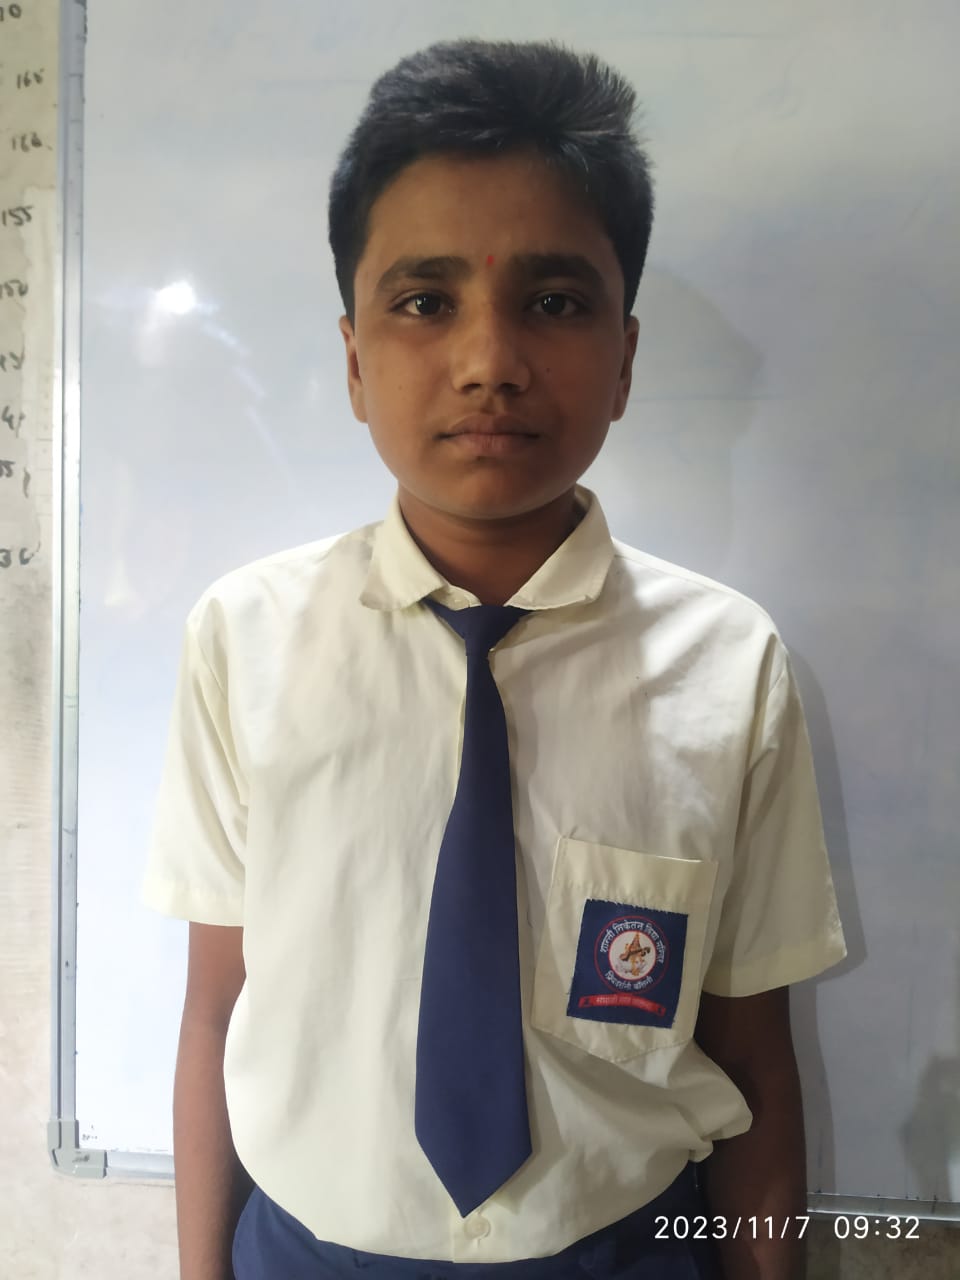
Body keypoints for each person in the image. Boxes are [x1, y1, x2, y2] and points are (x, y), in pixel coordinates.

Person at [141, 37, 846, 1280]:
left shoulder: (729, 668)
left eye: (555, 302)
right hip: (310, 1253)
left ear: (624, 358)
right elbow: (215, 1013)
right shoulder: (242, 641)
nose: (489, 362)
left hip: (627, 1246)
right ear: (354, 360)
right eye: (424, 302)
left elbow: (752, 1054)